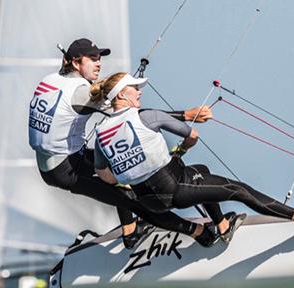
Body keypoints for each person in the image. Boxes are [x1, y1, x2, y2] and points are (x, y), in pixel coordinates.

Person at [90, 72, 294, 243]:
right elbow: (192, 135)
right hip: (177, 188)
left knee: (201, 170)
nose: (140, 93)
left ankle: (222, 226)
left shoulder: (101, 134)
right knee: (238, 190)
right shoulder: (148, 116)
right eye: (135, 89)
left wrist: (137, 166)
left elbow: (106, 177)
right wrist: (180, 151)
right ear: (122, 95)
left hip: (150, 202)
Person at [28, 38, 217, 248]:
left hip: (62, 160)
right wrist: (185, 115)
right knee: (132, 199)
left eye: (99, 58)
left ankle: (130, 230)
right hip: (65, 170)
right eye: (92, 59)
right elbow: (131, 115)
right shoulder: (80, 94)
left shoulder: (51, 79)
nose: (98, 63)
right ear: (75, 63)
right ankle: (200, 233)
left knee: (119, 166)